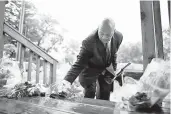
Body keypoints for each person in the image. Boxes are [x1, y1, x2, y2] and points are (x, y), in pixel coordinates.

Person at [58, 18, 123, 100]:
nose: (104, 37)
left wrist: (113, 70)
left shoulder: (119, 36)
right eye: (101, 33)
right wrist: (66, 82)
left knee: (105, 95)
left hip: (105, 68)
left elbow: (113, 54)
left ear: (113, 31)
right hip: (89, 69)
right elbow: (79, 64)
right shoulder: (89, 42)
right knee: (90, 93)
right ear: (98, 28)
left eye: (108, 35)